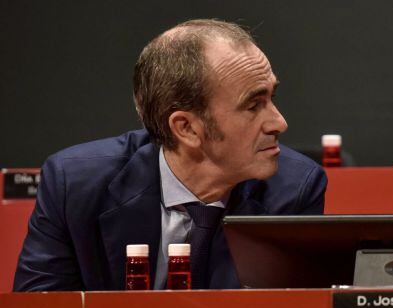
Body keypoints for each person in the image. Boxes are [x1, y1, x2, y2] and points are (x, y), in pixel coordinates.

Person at [14, 19, 327, 291]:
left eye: (272, 97)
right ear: (186, 128)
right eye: (253, 105)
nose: (279, 123)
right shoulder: (75, 186)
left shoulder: (294, 190)